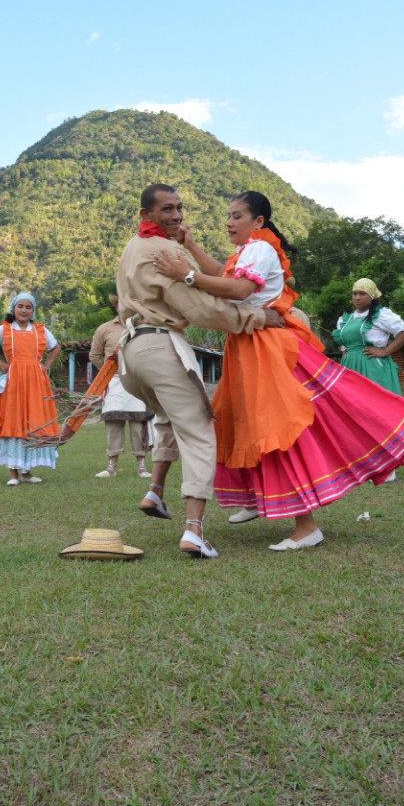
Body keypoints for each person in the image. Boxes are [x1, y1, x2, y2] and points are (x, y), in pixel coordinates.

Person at [155, 191, 404, 551]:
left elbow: (238, 288)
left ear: (258, 221)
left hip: (266, 349)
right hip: (249, 347)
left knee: (279, 428)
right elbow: (223, 276)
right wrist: (191, 248)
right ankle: (257, 500)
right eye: (228, 215)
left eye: (236, 216)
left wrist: (188, 275)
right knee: (246, 424)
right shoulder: (248, 250)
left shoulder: (260, 248)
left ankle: (306, 526)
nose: (228, 222)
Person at [116, 183, 283, 559]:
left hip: (131, 353)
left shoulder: (133, 246)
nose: (176, 215)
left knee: (167, 417)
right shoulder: (165, 251)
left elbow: (220, 276)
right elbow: (202, 309)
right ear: (146, 215)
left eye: (179, 208)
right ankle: (194, 530)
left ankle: (155, 491)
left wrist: (190, 251)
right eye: (167, 209)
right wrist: (258, 317)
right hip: (159, 346)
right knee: (200, 432)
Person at [0, 292, 61, 485]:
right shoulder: (4, 330)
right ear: (13, 309)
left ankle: (27, 472)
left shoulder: (40, 331)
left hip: (36, 383)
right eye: (20, 306)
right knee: (14, 422)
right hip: (12, 382)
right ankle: (13, 473)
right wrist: (2, 365)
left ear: (33, 311)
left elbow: (55, 348)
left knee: (33, 422)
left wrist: (45, 366)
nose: (24, 310)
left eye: (28, 307)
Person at [89, 292, 153, 480]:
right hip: (114, 382)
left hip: (137, 381)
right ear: (116, 306)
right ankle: (111, 467)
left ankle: (142, 466)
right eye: (122, 303)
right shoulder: (105, 329)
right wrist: (108, 372)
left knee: (138, 425)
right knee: (113, 425)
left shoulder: (145, 328)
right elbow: (95, 355)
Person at [332, 279, 404, 394]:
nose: (357, 298)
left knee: (376, 400)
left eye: (362, 294)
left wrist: (385, 351)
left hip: (372, 367)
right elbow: (345, 349)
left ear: (372, 296)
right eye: (354, 294)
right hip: (349, 368)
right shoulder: (344, 320)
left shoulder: (381, 315)